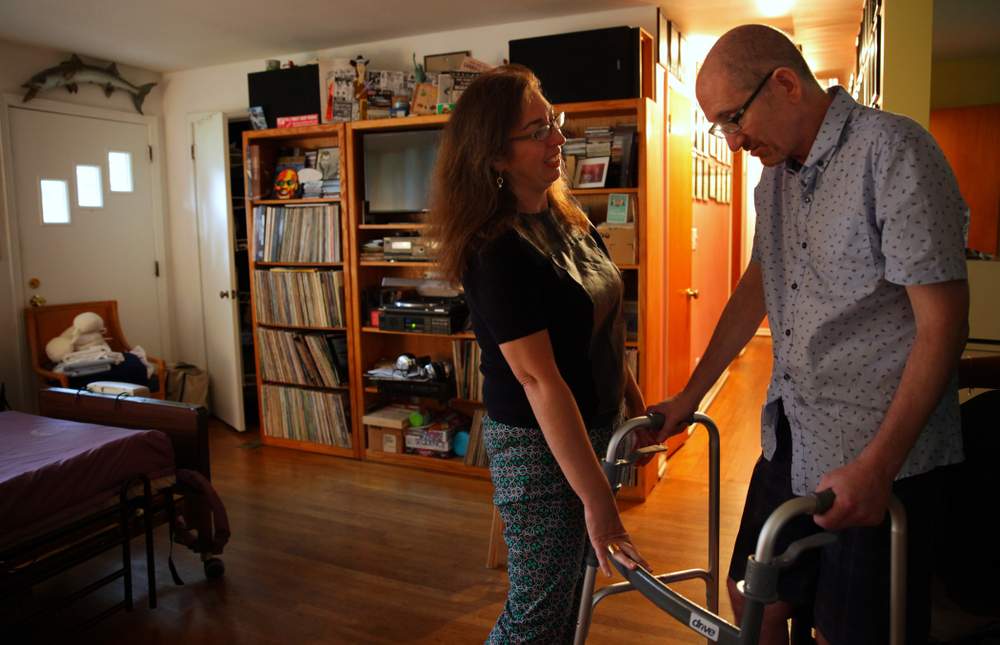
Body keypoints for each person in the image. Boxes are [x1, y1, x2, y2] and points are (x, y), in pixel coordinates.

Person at [648, 25, 969, 645]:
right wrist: (689, 399)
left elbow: (944, 326)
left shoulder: (894, 151)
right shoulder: (776, 179)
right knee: (752, 595)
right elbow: (755, 289)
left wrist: (878, 465)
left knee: (847, 630)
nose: (733, 141)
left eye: (733, 120)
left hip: (879, 451)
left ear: (786, 83)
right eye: (722, 127)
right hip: (794, 429)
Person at [428, 64, 648, 643]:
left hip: (595, 427)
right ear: (495, 157)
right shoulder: (494, 252)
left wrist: (636, 409)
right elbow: (540, 381)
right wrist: (598, 503)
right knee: (537, 612)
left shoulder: (567, 217)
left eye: (554, 121)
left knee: (572, 597)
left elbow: (604, 324)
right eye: (536, 130)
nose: (557, 138)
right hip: (539, 446)